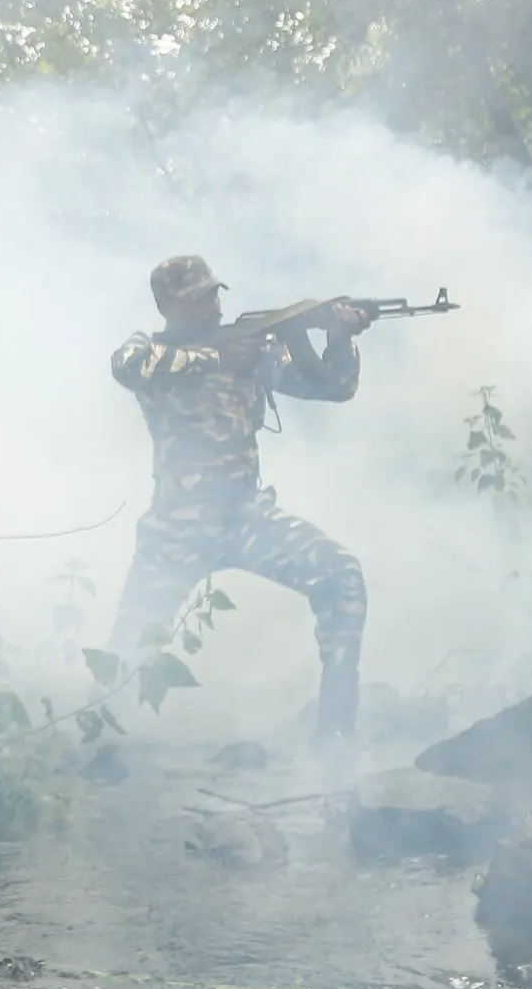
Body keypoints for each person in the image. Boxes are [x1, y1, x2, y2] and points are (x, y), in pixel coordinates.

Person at [107, 254, 370, 743]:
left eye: (214, 293)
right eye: (196, 298)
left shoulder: (252, 350)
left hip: (245, 516)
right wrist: (217, 359)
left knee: (342, 576)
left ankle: (334, 736)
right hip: (175, 529)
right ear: (165, 305)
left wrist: (339, 336)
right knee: (121, 664)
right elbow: (125, 365)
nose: (211, 305)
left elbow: (334, 388)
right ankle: (100, 755)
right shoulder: (155, 352)